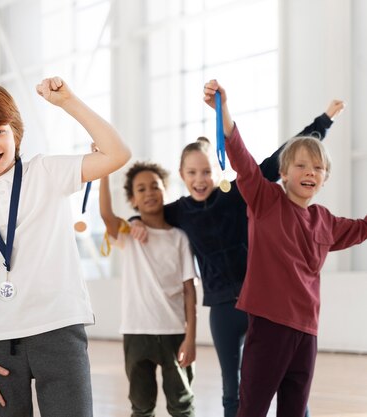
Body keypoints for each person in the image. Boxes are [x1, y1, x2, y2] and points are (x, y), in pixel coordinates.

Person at [129, 100, 344, 417]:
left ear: (217, 171)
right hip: (222, 309)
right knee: (234, 391)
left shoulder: (238, 194)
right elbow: (151, 213)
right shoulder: (180, 211)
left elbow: (281, 160)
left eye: (206, 171)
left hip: (261, 304)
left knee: (291, 388)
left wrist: (322, 122)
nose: (200, 179)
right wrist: (135, 220)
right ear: (181, 175)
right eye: (192, 173)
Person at [0, 77, 130, 416]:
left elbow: (117, 153)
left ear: (16, 131)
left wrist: (68, 102)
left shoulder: (46, 171)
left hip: (59, 327)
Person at [204, 79, 367, 417]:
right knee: (252, 409)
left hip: (307, 334)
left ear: (325, 178)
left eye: (318, 168)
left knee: (295, 410)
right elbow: (242, 159)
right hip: (268, 326)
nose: (311, 172)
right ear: (284, 173)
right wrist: (225, 113)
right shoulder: (265, 199)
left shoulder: (326, 220)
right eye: (302, 165)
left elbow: (363, 228)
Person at [99, 161, 197, 417]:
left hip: (174, 332)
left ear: (165, 189)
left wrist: (191, 337)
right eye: (141, 189)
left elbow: (190, 290)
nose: (149, 192)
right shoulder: (129, 233)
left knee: (182, 405)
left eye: (155, 186)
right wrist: (103, 173)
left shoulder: (180, 238)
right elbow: (107, 216)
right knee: (141, 407)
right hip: (136, 332)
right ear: (133, 199)